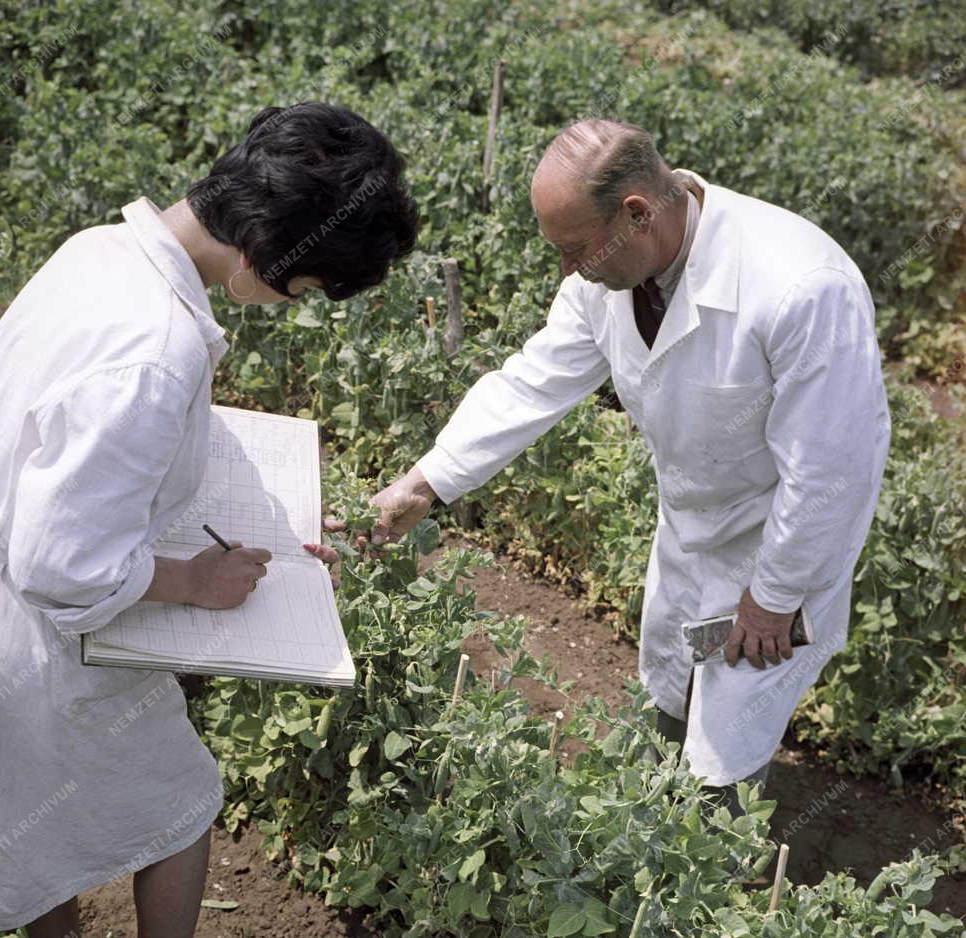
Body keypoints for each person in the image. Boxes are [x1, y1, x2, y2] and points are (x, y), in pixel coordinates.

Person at [0, 101, 416, 938]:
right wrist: (194, 580)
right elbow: (63, 569)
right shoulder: (156, 353)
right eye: (302, 287)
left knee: (25, 811)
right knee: (180, 806)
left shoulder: (102, 250)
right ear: (263, 250)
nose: (291, 306)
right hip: (44, 637)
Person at [370, 117, 890, 818]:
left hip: (779, 551)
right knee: (668, 692)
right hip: (688, 532)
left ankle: (708, 885)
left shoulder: (800, 286)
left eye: (573, 248)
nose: (567, 270)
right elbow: (533, 382)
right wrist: (425, 482)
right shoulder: (605, 275)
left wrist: (774, 596)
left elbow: (830, 471)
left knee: (729, 744)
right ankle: (652, 825)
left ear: (636, 214)